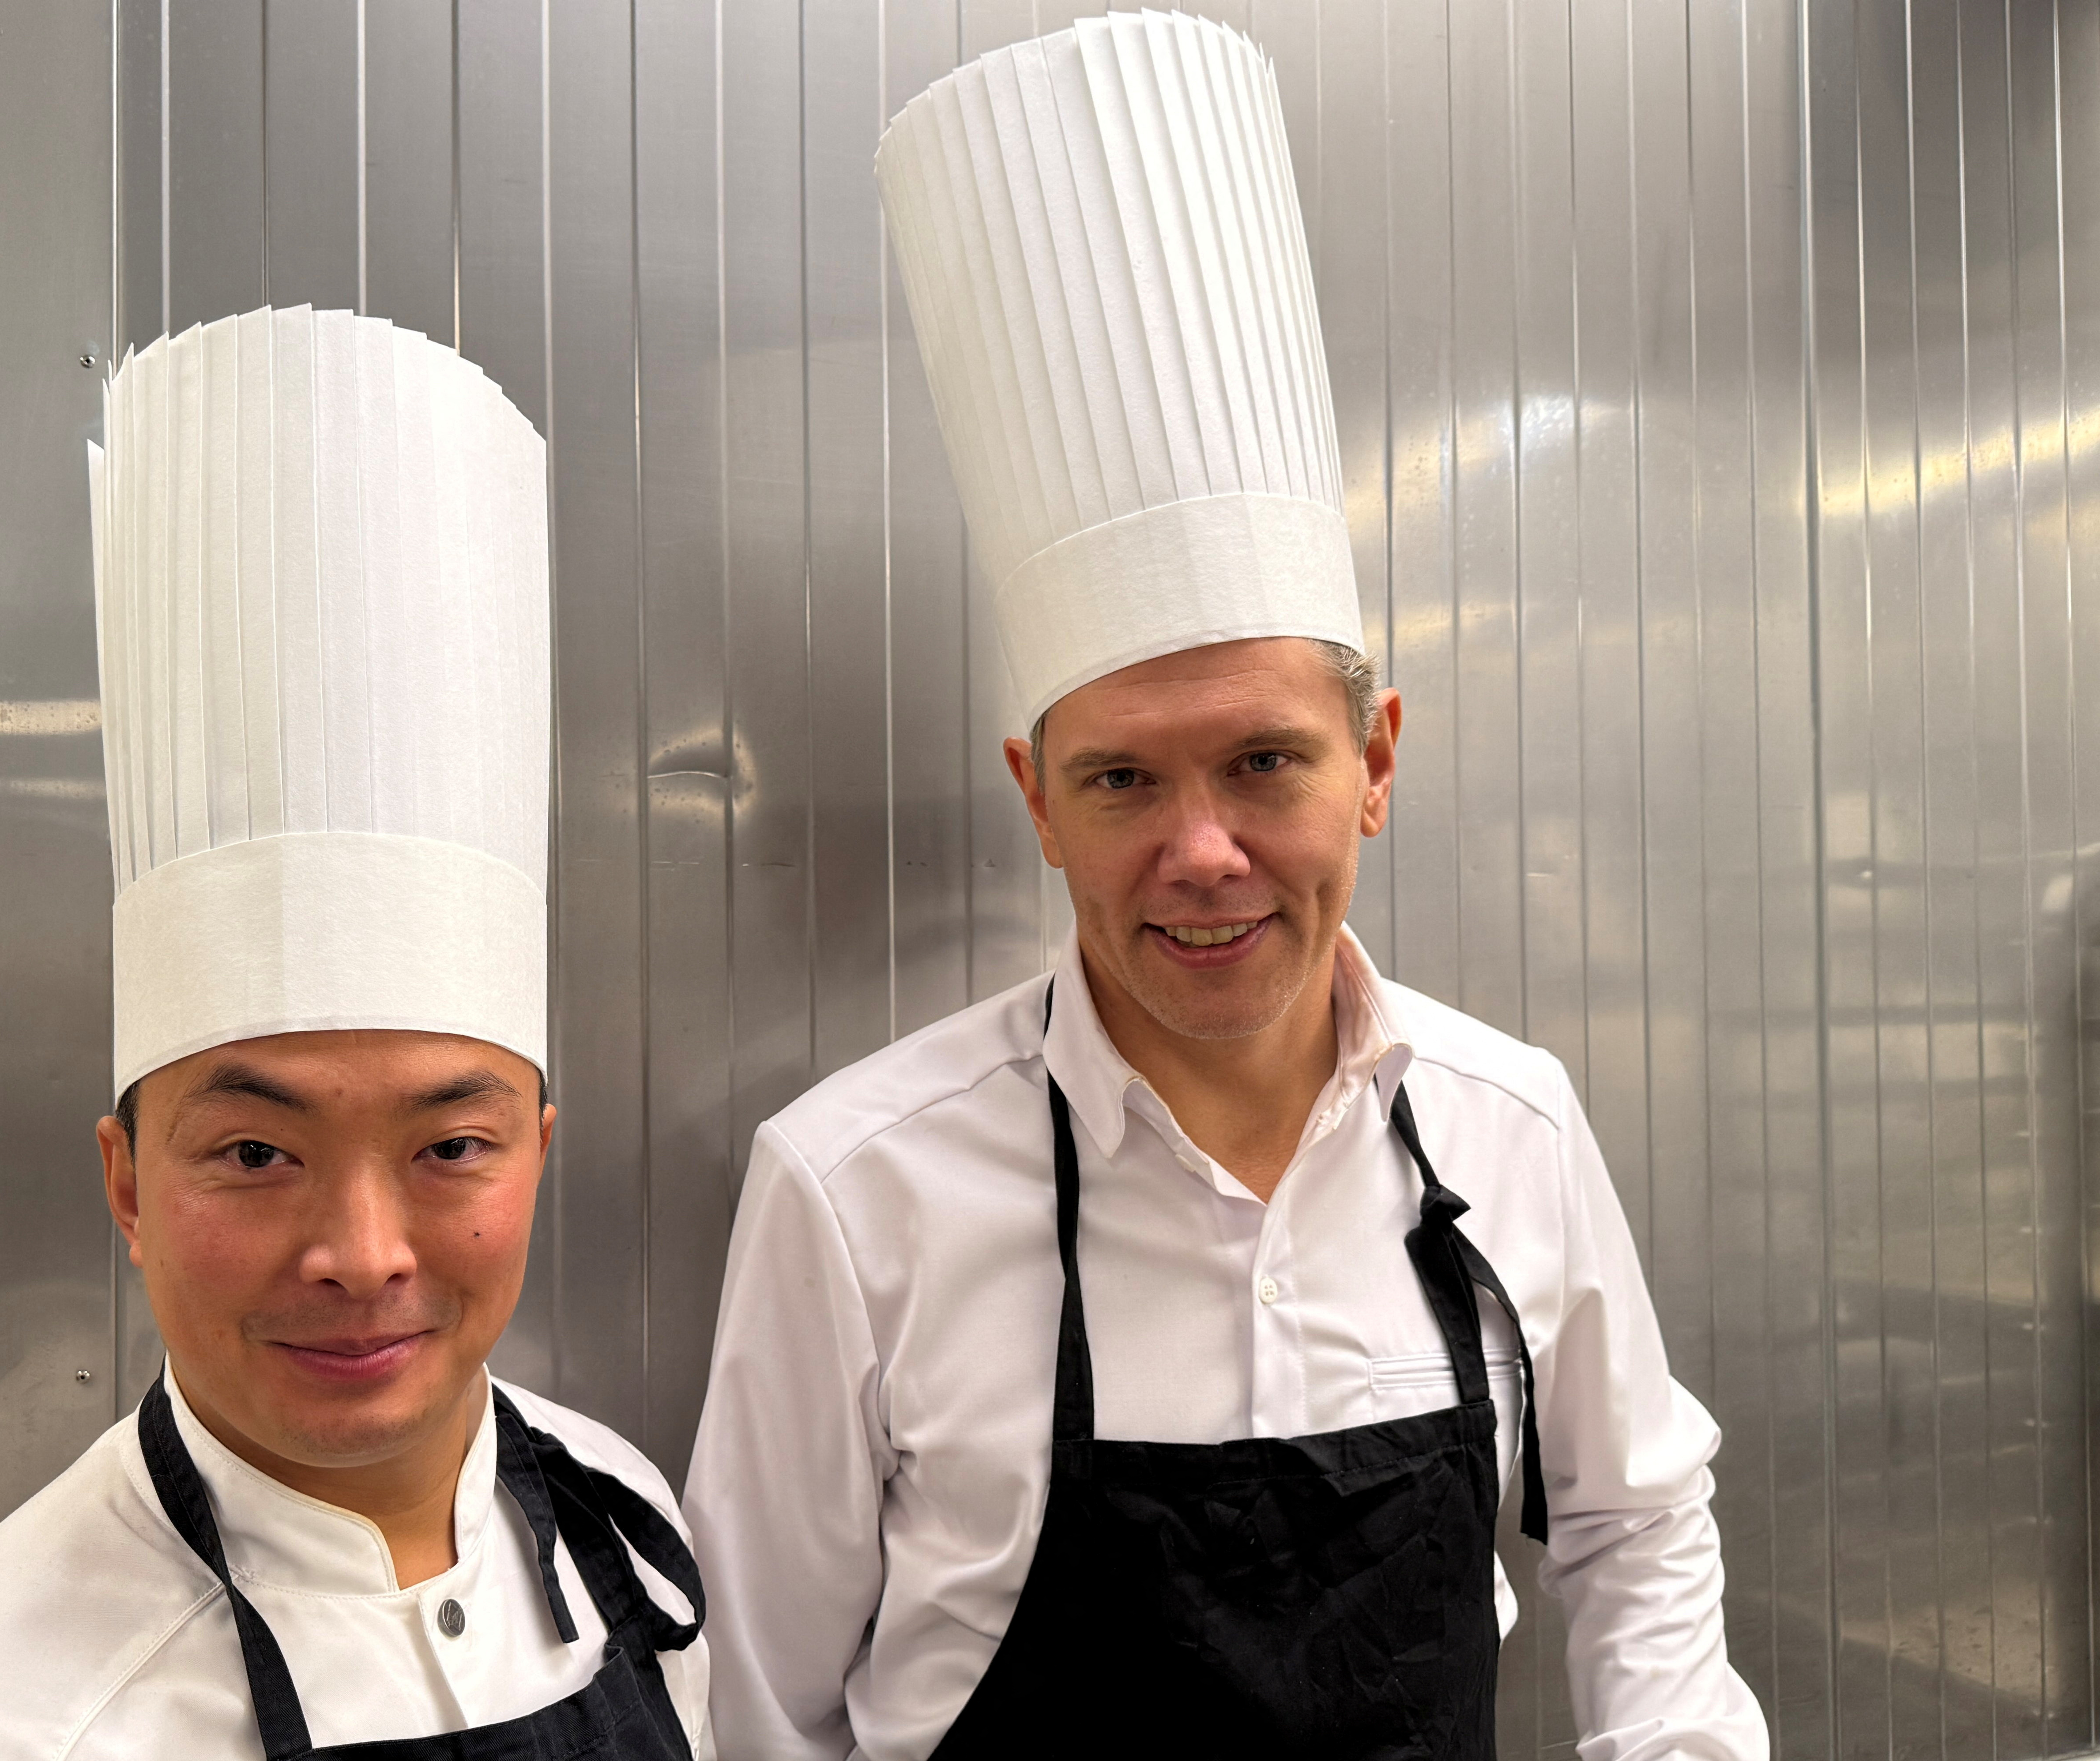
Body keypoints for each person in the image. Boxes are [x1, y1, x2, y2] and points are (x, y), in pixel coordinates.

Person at [682, 15, 1768, 1760]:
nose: (1203, 850)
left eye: (1265, 761)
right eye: (1124, 777)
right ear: (1038, 797)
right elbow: (757, 1709)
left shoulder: (1513, 1131)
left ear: (1378, 761)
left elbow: (1636, 1516)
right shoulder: (854, 1187)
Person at [0, 308, 711, 1758]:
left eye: (453, 1143)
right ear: (129, 1184)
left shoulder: (620, 1522)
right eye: (258, 1150)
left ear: (539, 1153)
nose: (366, 1254)